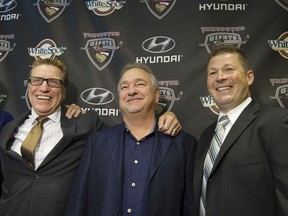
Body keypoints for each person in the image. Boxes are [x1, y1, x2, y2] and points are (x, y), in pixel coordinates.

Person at [0, 59, 181, 216]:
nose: (44, 87)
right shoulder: (7, 130)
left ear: (63, 91)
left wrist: (166, 117)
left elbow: (132, 134)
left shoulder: (86, 124)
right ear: (29, 86)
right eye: (37, 80)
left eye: (53, 82)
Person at [64, 63, 197, 216]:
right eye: (124, 87)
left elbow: (189, 205)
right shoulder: (97, 142)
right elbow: (78, 201)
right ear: (119, 97)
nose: (132, 91)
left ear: (156, 94)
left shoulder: (183, 144)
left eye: (140, 84)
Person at [193, 45, 288, 216]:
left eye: (228, 69)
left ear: (249, 77)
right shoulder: (206, 136)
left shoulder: (276, 122)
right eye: (212, 73)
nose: (220, 77)